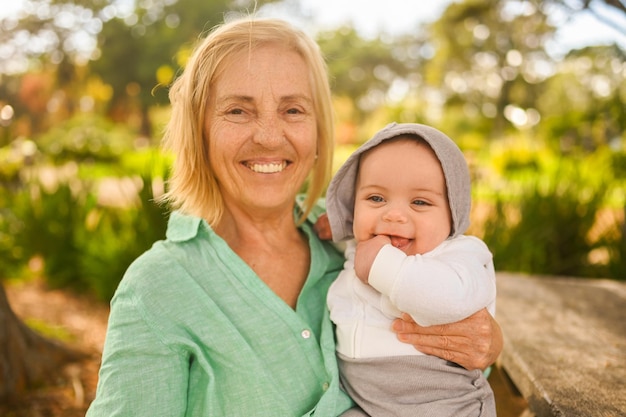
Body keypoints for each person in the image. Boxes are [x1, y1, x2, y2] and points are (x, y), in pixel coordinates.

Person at [86, 16, 502, 417]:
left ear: (318, 132)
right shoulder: (158, 288)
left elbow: (450, 373)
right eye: (237, 110)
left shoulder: (365, 236)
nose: (269, 136)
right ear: (200, 133)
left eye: (293, 111)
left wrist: (487, 341)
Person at [323, 122, 497, 416]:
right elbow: (357, 247)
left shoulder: (460, 254)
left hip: (440, 402)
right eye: (376, 198)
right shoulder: (364, 244)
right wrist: (336, 224)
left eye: (419, 202)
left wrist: (383, 267)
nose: (393, 215)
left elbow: (453, 298)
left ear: (453, 212)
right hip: (366, 401)